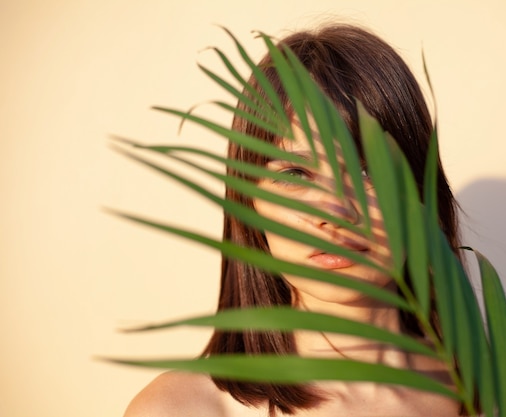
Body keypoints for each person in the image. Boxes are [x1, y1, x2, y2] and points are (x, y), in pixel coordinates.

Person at [124, 23, 463, 417]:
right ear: (249, 203)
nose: (336, 212)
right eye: (295, 175)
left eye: (369, 173)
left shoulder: (486, 394)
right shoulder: (183, 409)